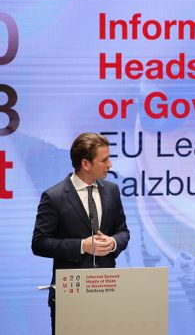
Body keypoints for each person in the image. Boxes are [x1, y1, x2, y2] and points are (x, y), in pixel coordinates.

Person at [31, 133, 130, 334]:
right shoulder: (54, 196)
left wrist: (112, 242)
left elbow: (123, 232)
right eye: (104, 160)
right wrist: (81, 246)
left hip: (108, 293)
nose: (110, 164)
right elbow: (39, 243)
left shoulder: (112, 191)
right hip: (70, 297)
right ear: (86, 163)